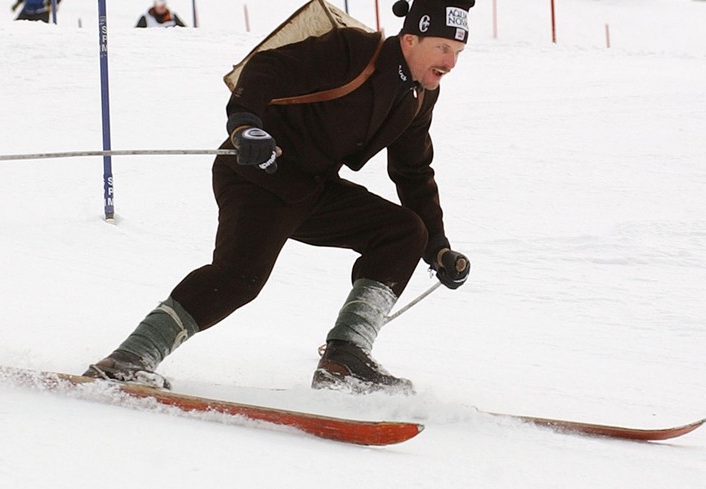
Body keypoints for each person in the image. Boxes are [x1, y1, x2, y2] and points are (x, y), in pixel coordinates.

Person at [85, 0, 473, 394]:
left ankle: (345, 359)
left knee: (404, 231)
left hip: (313, 187)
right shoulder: (353, 50)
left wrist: (437, 248)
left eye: (458, 52)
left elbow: (412, 170)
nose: (451, 63)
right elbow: (269, 68)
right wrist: (245, 125)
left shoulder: (419, 94)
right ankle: (129, 358)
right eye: (443, 48)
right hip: (259, 175)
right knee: (239, 277)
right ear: (410, 39)